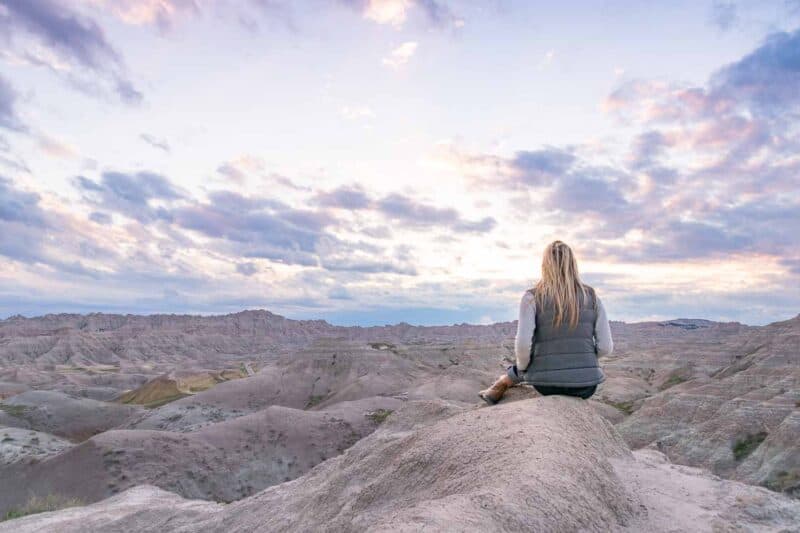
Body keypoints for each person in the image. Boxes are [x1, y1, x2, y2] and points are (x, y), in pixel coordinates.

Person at [479, 240, 613, 404]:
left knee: (527, 364)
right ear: (573, 265)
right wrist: (585, 359)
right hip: (586, 387)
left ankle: (502, 383)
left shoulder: (532, 297)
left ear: (545, 265)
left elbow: (522, 346)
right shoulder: (592, 297)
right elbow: (606, 347)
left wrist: (523, 367)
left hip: (547, 385)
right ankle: (501, 383)